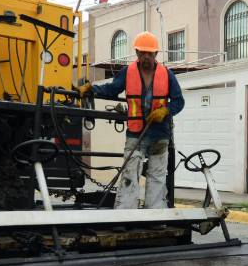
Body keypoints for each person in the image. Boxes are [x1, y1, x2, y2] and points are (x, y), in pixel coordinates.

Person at [78, 32, 184, 209]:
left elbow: (179, 102)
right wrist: (92, 89)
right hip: (135, 133)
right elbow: (112, 89)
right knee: (130, 172)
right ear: (137, 53)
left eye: (150, 53)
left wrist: (165, 111)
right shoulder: (128, 72)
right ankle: (126, 213)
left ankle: (155, 214)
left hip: (159, 134)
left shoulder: (167, 74)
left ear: (156, 54)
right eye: (142, 53)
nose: (146, 57)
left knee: (157, 175)